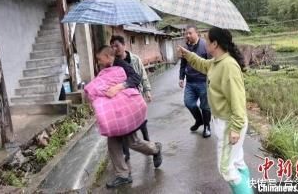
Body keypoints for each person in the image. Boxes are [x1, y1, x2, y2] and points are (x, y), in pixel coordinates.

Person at [178, 27, 253, 194]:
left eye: (206, 39)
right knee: (237, 162)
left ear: (215, 44)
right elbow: (202, 64)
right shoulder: (217, 62)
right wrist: (187, 54)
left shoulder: (228, 66)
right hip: (225, 122)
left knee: (225, 168)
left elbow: (238, 100)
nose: (204, 43)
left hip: (230, 124)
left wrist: (235, 128)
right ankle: (246, 189)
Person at [95, 46, 163, 189]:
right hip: (114, 112)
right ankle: (123, 175)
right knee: (113, 144)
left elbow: (136, 78)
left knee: (133, 142)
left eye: (100, 59)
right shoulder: (104, 69)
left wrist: (119, 86)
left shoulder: (121, 64)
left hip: (125, 111)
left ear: (108, 57)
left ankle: (155, 149)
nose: (99, 62)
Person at [110, 35, 152, 142]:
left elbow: (142, 75)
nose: (115, 49)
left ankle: (147, 140)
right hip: (123, 97)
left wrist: (147, 90)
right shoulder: (114, 63)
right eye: (112, 47)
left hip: (137, 93)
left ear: (124, 45)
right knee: (124, 121)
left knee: (141, 118)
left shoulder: (135, 59)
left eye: (117, 46)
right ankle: (126, 151)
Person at [179, 25, 211, 138]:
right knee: (189, 103)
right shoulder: (185, 48)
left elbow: (210, 64)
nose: (187, 35)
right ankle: (199, 120)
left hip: (203, 81)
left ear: (197, 33)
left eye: (190, 33)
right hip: (190, 82)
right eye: (186, 33)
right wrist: (181, 78)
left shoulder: (205, 46)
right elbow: (183, 64)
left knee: (205, 106)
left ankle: (207, 127)